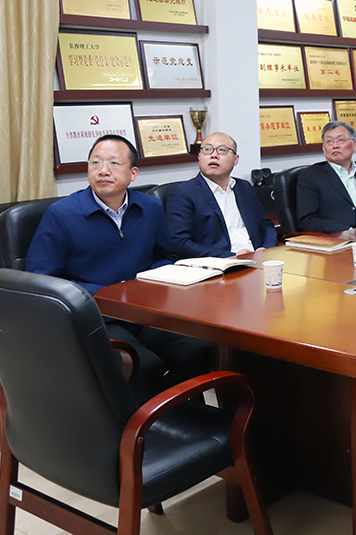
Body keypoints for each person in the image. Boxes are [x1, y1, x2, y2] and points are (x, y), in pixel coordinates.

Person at [26, 135, 215, 401]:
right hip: (94, 317)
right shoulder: (62, 214)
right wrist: (109, 293)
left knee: (199, 351)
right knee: (144, 365)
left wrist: (144, 284)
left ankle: (164, 411)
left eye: (114, 163)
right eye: (96, 163)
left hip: (142, 312)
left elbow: (166, 255)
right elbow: (42, 279)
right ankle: (140, 420)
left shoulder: (149, 207)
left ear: (133, 173)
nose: (103, 170)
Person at [166, 132, 278, 258]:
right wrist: (232, 257)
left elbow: (265, 226)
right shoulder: (183, 193)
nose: (213, 155)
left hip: (258, 259)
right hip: (220, 264)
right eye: (207, 150)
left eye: (222, 150)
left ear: (235, 160)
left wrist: (265, 249)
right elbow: (180, 243)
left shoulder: (243, 187)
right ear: (199, 157)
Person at [296, 121, 356, 234]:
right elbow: (307, 221)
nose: (335, 145)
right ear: (324, 148)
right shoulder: (310, 176)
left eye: (341, 140)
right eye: (329, 141)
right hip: (340, 239)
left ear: (354, 145)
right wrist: (348, 232)